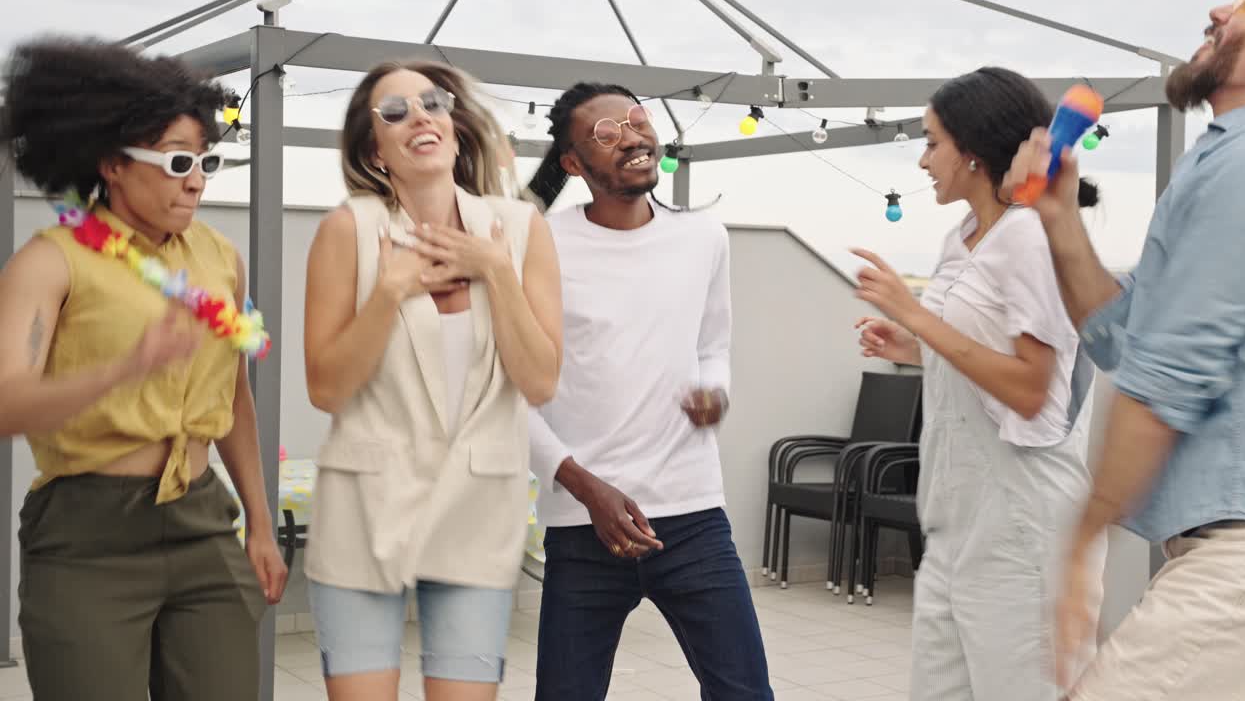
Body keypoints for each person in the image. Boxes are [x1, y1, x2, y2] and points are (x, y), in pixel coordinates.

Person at [1001, 0, 1245, 699]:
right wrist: (1060, 215)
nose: (1219, 12)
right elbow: (1125, 339)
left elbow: (1168, 374)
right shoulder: (1219, 162)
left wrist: (1081, 541)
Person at [0, 36, 287, 700]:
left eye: (206, 160)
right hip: (86, 538)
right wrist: (123, 368)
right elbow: (8, 403)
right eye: (178, 161)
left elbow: (234, 397)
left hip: (201, 520)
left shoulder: (218, 256)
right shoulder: (52, 261)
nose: (197, 179)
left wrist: (261, 525)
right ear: (113, 164)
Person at [301, 59, 563, 701]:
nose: (419, 116)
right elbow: (326, 389)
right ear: (374, 149)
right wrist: (388, 291)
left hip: (477, 510)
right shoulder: (348, 230)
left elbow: (540, 382)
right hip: (363, 512)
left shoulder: (522, 229)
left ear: (452, 123)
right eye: (395, 111)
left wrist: (497, 272)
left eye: (432, 103)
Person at [853, 67, 1106, 700]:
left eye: (932, 141)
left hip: (1023, 521)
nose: (922, 159)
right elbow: (975, 349)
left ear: (971, 151)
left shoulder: (1030, 238)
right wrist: (913, 347)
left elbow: (1030, 388)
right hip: (954, 519)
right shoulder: (962, 237)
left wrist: (913, 315)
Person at [523, 82, 773, 701]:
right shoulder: (540, 247)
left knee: (745, 693)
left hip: (693, 516)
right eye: (606, 133)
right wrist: (586, 488)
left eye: (636, 119)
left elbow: (713, 346)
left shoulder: (704, 238)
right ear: (574, 165)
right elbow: (509, 392)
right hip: (583, 526)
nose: (632, 136)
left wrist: (715, 391)